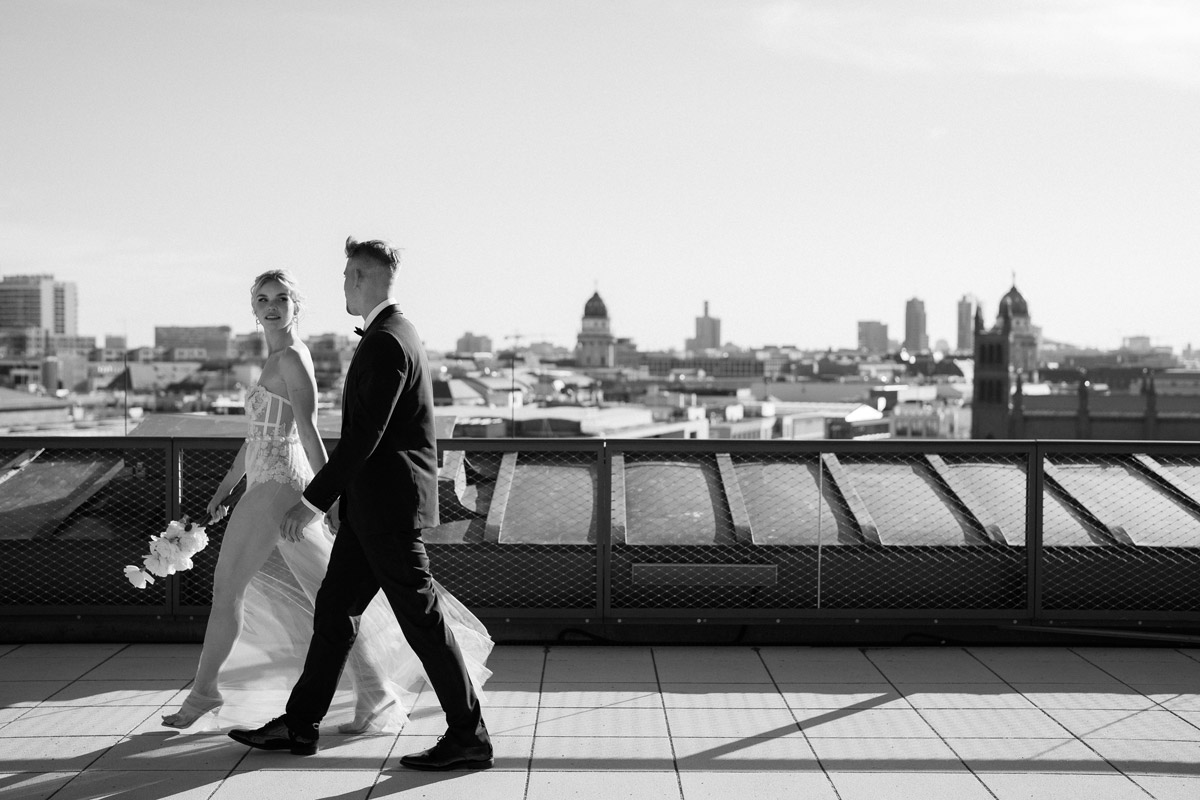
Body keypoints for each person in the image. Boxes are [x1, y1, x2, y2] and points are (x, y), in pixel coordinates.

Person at [161, 268, 491, 734]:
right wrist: (227, 484)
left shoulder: (293, 358)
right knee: (331, 602)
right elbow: (259, 435)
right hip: (267, 482)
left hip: (278, 487)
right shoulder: (275, 358)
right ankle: (374, 693)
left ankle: (205, 692)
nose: (271, 306)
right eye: (262, 299)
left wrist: (324, 495)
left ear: (296, 305)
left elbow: (309, 430)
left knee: (227, 591)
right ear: (253, 309)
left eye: (280, 298)